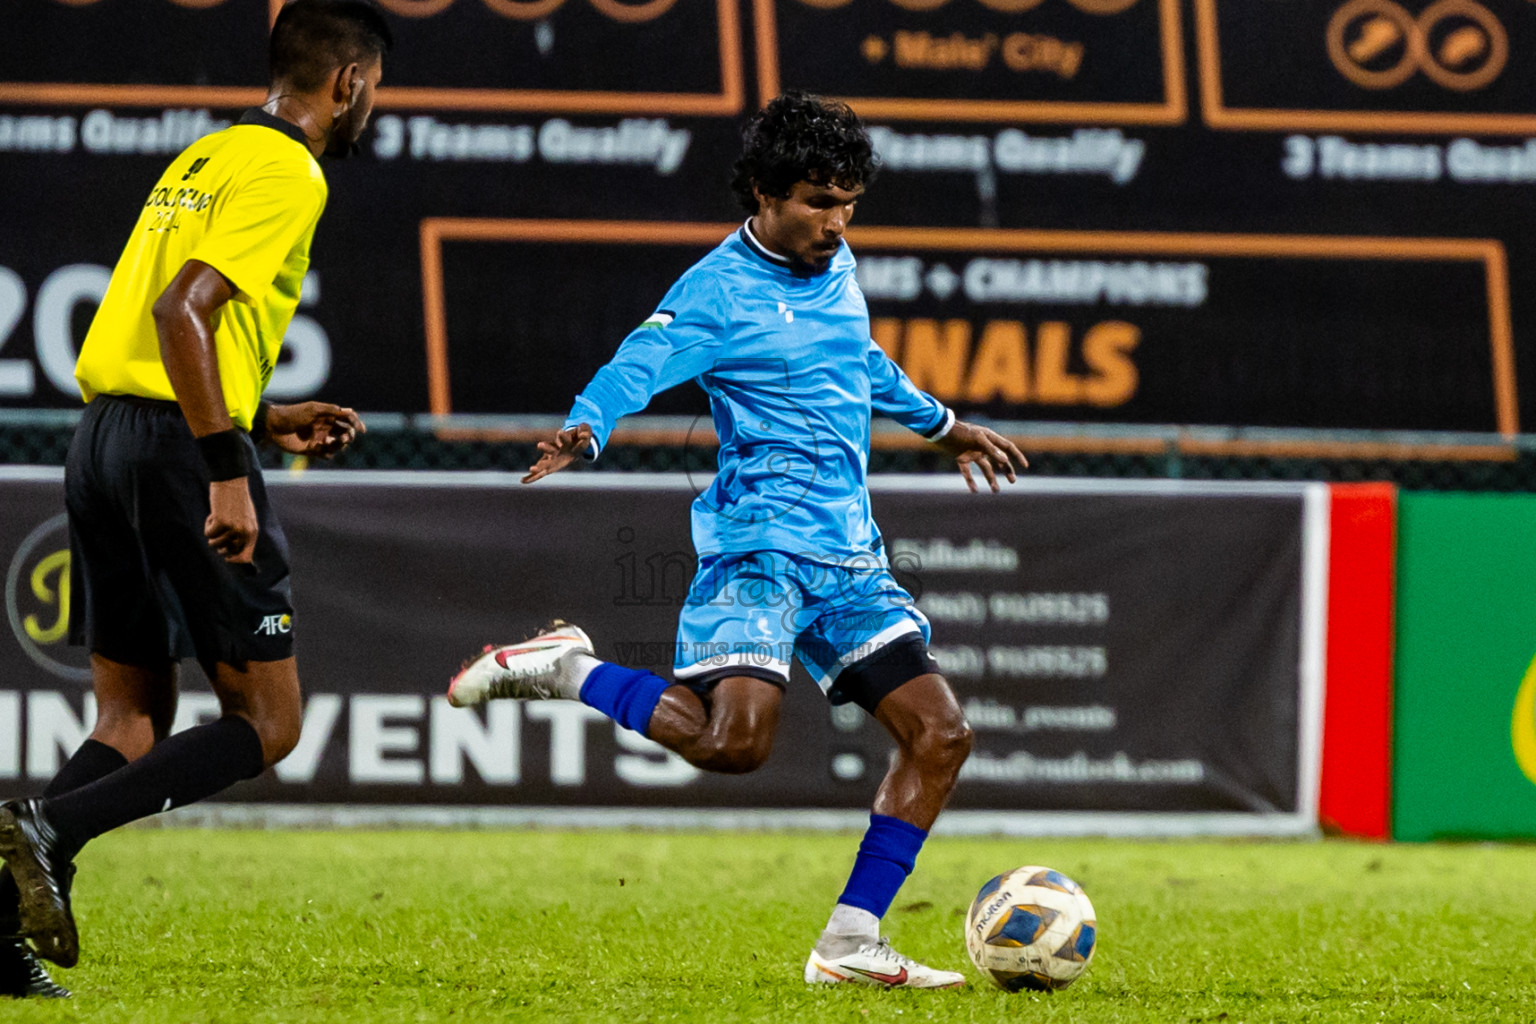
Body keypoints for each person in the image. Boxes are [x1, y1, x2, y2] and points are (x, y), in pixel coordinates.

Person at [449, 91, 1027, 989]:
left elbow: (859, 357)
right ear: (762, 191)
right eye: (816, 202)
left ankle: (847, 943)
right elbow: (640, 358)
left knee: (941, 735)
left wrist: (940, 423)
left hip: (850, 556)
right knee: (735, 746)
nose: (835, 222)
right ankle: (569, 667)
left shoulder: (835, 265)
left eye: (847, 204)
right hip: (755, 547)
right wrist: (587, 427)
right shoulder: (716, 290)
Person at [0, 0, 391, 993]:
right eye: (374, 89)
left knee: (133, 711)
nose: (370, 107)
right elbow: (184, 312)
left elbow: (154, 326)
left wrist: (260, 417)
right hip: (177, 450)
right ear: (347, 82)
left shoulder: (206, 157)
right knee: (269, 721)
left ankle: (1, 919)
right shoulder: (289, 170)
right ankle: (48, 827)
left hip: (102, 441)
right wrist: (227, 467)